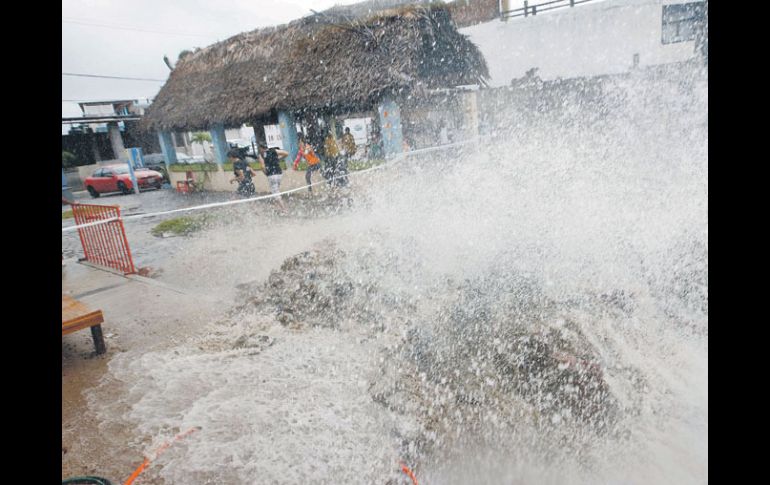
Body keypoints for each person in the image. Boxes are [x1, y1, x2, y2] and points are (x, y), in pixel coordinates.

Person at [258, 143, 289, 211]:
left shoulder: (261, 155)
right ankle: (278, 206)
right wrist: (278, 159)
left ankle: (284, 209)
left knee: (275, 192)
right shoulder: (273, 151)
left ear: (261, 148)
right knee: (276, 190)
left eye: (259, 148)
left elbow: (262, 167)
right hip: (279, 173)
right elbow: (286, 153)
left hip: (271, 175)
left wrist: (266, 174)